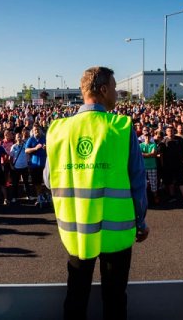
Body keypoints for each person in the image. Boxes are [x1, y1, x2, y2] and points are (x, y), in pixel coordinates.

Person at [44, 66, 149, 320]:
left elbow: (48, 180)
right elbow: (137, 179)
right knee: (114, 299)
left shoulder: (58, 129)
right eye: (114, 88)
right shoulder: (121, 127)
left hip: (77, 228)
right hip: (117, 231)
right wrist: (141, 221)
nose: (116, 93)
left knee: (76, 296)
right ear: (103, 90)